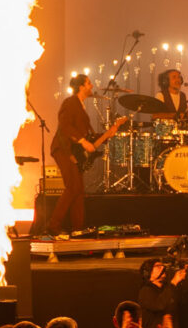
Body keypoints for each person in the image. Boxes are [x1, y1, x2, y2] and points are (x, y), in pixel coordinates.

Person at [49, 72, 129, 235]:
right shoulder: (70, 102)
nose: (92, 86)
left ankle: (78, 229)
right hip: (64, 149)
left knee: (78, 191)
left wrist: (110, 132)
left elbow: (88, 137)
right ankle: (53, 226)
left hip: (74, 151)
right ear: (81, 87)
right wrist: (82, 141)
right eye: (89, 83)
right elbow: (65, 126)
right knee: (72, 188)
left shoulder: (81, 106)